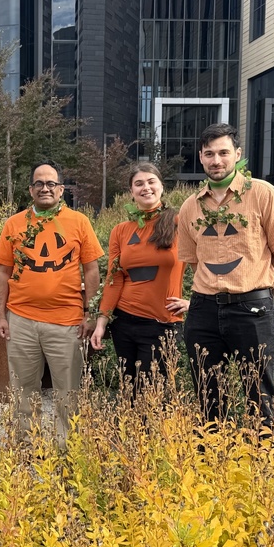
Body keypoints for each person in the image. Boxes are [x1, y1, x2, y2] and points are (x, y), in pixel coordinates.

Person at [177, 123, 274, 432]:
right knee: (207, 397)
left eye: (223, 153)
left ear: (237, 154)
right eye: (209, 154)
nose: (216, 160)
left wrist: (267, 298)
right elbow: (195, 262)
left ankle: (262, 468)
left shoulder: (263, 194)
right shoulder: (191, 207)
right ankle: (211, 467)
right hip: (203, 311)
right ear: (201, 159)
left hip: (252, 309)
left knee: (259, 397)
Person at [0, 161, 104, 446]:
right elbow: (3, 271)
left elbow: (91, 270)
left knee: (68, 391)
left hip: (67, 322)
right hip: (21, 319)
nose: (45, 188)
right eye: (39, 183)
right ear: (31, 190)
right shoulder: (14, 223)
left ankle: (67, 451)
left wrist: (90, 312)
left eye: (51, 183)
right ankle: (25, 446)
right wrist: (1, 316)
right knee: (22, 390)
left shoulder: (79, 222)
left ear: (61, 189)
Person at [90, 162, 189, 391]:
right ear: (131, 191)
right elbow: (114, 279)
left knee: (152, 394)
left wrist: (194, 303)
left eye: (151, 181)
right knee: (128, 392)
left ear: (162, 186)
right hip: (124, 323)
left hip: (162, 324)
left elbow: (209, 261)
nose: (146, 187)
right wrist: (101, 322)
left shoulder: (179, 223)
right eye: (139, 183)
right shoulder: (121, 230)